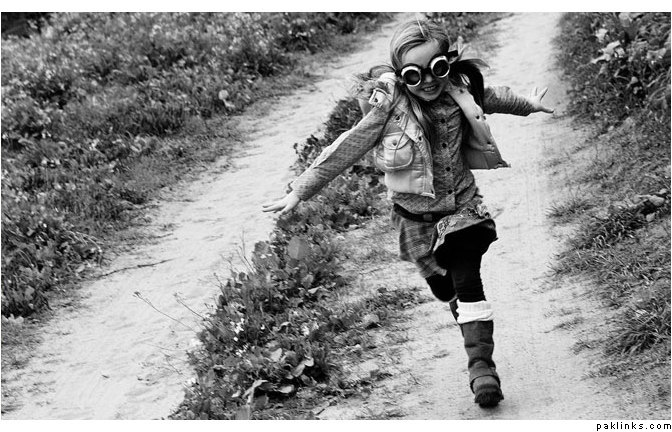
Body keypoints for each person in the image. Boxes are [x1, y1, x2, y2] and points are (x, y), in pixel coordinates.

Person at [262, 18, 553, 408]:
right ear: (401, 75)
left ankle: (482, 368)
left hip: (463, 209)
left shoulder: (459, 90)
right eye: (415, 75)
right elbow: (348, 145)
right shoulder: (390, 108)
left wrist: (528, 105)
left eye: (437, 68)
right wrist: (301, 188)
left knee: (468, 281)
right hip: (415, 221)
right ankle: (470, 329)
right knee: (446, 289)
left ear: (448, 63)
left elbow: (494, 97)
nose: (428, 81)